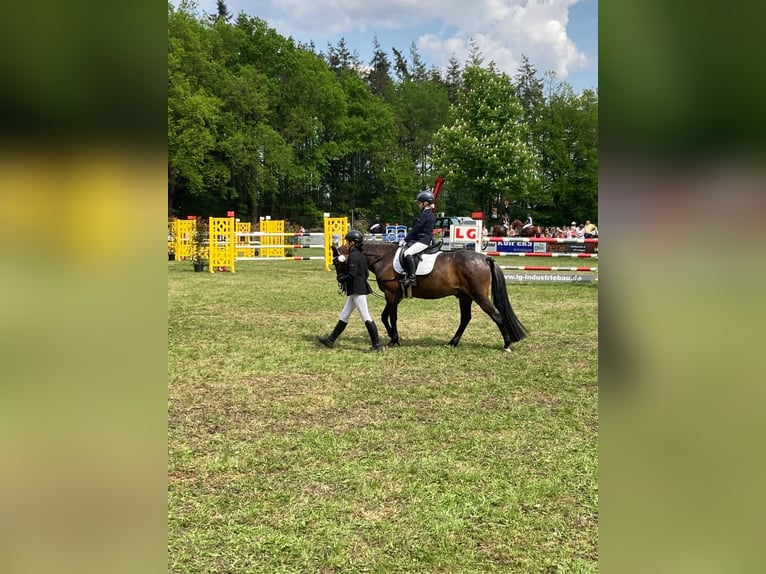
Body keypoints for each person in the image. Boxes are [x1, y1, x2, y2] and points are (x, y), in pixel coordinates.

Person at [317, 230, 383, 352]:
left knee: (365, 316)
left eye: (347, 242)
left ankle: (377, 345)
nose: (346, 244)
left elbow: (352, 274)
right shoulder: (361, 255)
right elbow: (366, 273)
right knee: (344, 315)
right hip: (356, 289)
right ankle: (330, 340)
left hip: (357, 289)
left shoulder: (354, 255)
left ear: (352, 243)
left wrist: (342, 277)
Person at [400, 190, 436, 287]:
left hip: (424, 241)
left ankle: (412, 278)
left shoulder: (426, 214)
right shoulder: (429, 214)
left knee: (407, 253)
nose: (418, 205)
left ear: (425, 203)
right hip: (423, 239)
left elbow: (417, 228)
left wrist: (405, 240)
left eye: (420, 203)